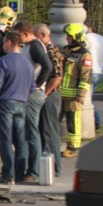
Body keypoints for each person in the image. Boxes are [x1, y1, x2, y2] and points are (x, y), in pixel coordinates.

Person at [0, 32, 35, 185]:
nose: (3, 45)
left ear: (9, 42)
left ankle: (8, 175)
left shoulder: (4, 61)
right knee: (20, 140)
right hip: (22, 103)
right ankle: (19, 174)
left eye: (4, 42)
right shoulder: (28, 63)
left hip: (6, 102)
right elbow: (32, 89)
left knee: (5, 139)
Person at [12, 21, 52, 183]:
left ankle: (33, 171)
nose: (17, 40)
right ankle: (30, 169)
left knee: (31, 130)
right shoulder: (32, 45)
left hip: (34, 95)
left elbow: (47, 66)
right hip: (31, 93)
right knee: (29, 130)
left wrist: (36, 85)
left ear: (25, 34)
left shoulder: (34, 46)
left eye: (18, 35)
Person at [34, 23, 64, 177]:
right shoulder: (46, 50)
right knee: (44, 130)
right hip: (49, 95)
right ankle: (48, 167)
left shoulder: (52, 51)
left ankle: (55, 168)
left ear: (43, 35)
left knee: (50, 132)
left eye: (36, 35)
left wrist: (45, 93)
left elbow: (57, 77)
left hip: (51, 96)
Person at [60, 23, 93, 158]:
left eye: (69, 36)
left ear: (76, 37)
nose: (67, 38)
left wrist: (81, 94)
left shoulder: (84, 55)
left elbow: (86, 77)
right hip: (61, 93)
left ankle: (73, 147)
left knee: (73, 121)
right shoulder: (66, 51)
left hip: (74, 96)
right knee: (53, 119)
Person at [85, 20, 103, 130]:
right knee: (89, 97)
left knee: (87, 99)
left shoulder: (86, 39)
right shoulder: (100, 38)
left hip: (89, 70)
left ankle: (96, 121)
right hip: (99, 71)